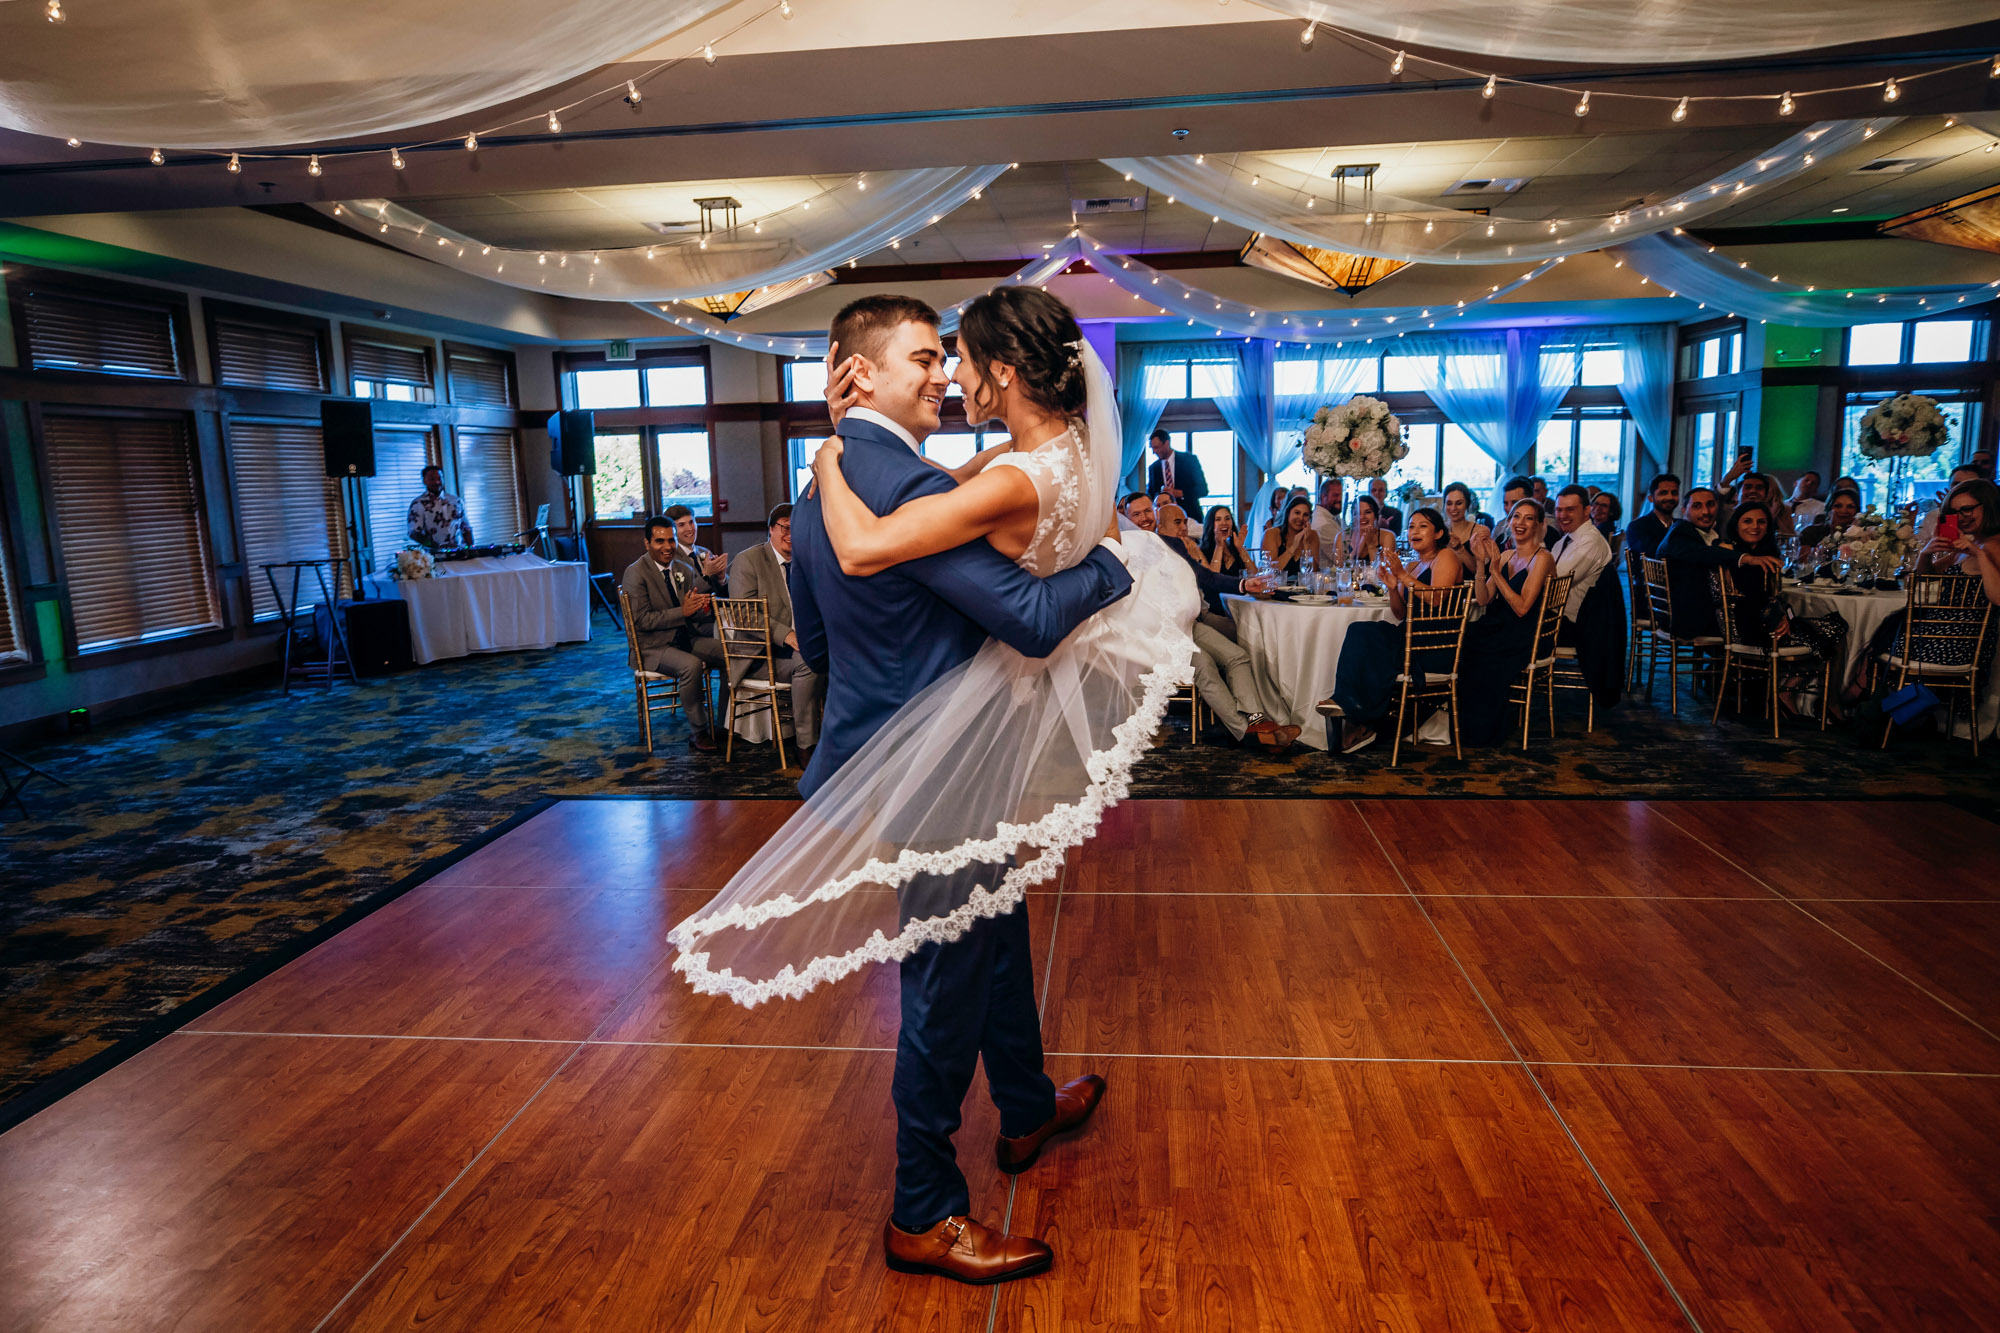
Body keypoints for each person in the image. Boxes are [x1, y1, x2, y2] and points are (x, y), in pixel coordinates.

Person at [671, 289, 1186, 1286]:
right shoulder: (901, 488)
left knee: (994, 935)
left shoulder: (834, 477)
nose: (944, 373)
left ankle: (1026, 1108)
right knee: (944, 982)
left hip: (893, 753)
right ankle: (921, 1210)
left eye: (946, 359)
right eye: (922, 359)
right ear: (859, 372)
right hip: (939, 770)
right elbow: (1031, 616)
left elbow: (815, 642)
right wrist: (1121, 565)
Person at [1126, 492, 1290, 742]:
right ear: (1126, 517)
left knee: (1238, 656)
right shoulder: (1122, 550)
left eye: (1147, 511)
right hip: (1156, 633)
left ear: (1155, 514)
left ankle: (1257, 720)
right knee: (1205, 667)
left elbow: (1205, 577)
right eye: (1136, 514)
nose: (1144, 518)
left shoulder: (1171, 544)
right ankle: (1246, 733)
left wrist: (1244, 584)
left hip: (1189, 623)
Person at [1324, 507, 1464, 754]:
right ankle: (1350, 706)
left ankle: (1357, 715)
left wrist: (1401, 575)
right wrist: (1392, 587)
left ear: (1439, 533)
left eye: (1423, 526)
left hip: (1435, 642)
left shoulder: (1446, 556)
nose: (1414, 531)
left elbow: (1438, 598)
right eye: (1411, 526)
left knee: (1366, 636)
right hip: (1410, 634)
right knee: (1359, 630)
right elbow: (1400, 613)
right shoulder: (1413, 565)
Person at [621, 514, 729, 752]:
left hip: (685, 638)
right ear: (647, 543)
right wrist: (683, 611)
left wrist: (703, 605)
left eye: (670, 540)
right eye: (660, 541)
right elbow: (641, 621)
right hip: (652, 647)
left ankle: (725, 723)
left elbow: (694, 611)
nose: (667, 547)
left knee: (731, 653)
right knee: (691, 665)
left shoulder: (683, 568)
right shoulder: (635, 573)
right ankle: (699, 732)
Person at [1458, 501, 1556, 746]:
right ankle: (1460, 725)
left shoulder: (1542, 558)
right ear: (1509, 520)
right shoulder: (1506, 555)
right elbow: (1483, 598)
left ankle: (1484, 730)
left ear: (1538, 525)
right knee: (1460, 640)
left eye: (1528, 518)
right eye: (1516, 517)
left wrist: (1497, 571)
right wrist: (1481, 564)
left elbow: (1523, 608)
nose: (1520, 523)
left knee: (1481, 654)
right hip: (1498, 627)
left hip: (1525, 634)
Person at [726, 503, 821, 754]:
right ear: (771, 529)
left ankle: (838, 738)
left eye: (797, 528)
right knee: (808, 664)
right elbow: (743, 615)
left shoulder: (807, 559)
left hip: (804, 643)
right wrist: (786, 635)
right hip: (760, 655)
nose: (791, 534)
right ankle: (806, 745)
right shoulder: (749, 560)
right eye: (785, 528)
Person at [1659, 487, 1783, 639]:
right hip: (1695, 619)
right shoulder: (1679, 532)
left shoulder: (1709, 535)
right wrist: (1746, 558)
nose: (1705, 511)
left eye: (1710, 504)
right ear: (1684, 510)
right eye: (1697, 506)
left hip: (1711, 614)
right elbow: (1701, 553)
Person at [1550, 485, 1612, 629]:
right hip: (1555, 616)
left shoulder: (1591, 542)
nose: (1562, 515)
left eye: (1570, 510)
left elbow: (1553, 583)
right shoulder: (1565, 540)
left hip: (1570, 625)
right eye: (1559, 510)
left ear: (1587, 510)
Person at [405, 464, 471, 549]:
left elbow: (466, 528)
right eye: (432, 479)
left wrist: (471, 549)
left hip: (460, 552)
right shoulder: (418, 504)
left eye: (439, 478)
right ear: (424, 481)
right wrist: (436, 546)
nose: (437, 482)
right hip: (434, 555)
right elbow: (413, 533)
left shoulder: (456, 501)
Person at [1145, 427, 1208, 511]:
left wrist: (1179, 493)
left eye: (1156, 447)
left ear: (1167, 444)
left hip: (1191, 515)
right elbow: (1151, 495)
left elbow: (1203, 489)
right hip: (1164, 517)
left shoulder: (1189, 460)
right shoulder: (1153, 468)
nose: (1154, 452)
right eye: (1152, 448)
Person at [1263, 494, 1322, 578]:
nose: (1301, 518)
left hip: (1302, 588)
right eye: (1297, 513)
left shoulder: (1312, 535)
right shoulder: (1271, 534)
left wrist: (1306, 545)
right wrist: (1293, 547)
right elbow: (1271, 571)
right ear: (1288, 513)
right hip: (1276, 587)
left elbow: (1314, 572)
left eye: (1305, 515)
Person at [1624, 472, 1680, 559]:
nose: (1670, 497)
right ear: (1650, 498)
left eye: (1674, 493)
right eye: (1663, 493)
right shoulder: (1637, 526)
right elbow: (1652, 553)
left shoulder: (1681, 525)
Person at [1495, 476, 1559, 550]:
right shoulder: (1501, 537)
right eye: (1506, 503)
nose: (1509, 508)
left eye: (1515, 503)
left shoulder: (1549, 534)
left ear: (1530, 501)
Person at [1797, 487, 1862, 550]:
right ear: (1828, 510)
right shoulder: (1811, 533)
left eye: (1850, 506)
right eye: (1838, 506)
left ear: (1857, 511)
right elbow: (1803, 559)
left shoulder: (1863, 536)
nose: (1844, 510)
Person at [1201, 504, 1254, 581]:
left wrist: (1240, 548)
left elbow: (1254, 575)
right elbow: (1212, 581)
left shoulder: (1235, 548)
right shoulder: (1202, 551)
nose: (1224, 523)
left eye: (1227, 518)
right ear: (1211, 524)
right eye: (1218, 519)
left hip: (1240, 592)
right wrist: (1219, 546)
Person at [1338, 495, 1395, 565]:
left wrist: (1371, 545)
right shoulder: (1342, 536)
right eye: (1356, 513)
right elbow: (1341, 569)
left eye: (1368, 512)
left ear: (1375, 516)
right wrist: (1361, 543)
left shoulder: (1387, 536)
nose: (1362, 517)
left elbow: (1384, 570)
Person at [1441, 482, 1490, 552]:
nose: (1453, 508)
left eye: (1459, 503)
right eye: (1449, 503)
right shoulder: (1439, 531)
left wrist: (1460, 550)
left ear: (1467, 504)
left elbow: (1484, 562)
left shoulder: (1480, 531)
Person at [1310, 477, 1345, 550]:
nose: (1340, 499)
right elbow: (1344, 553)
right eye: (1335, 495)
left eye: (1341, 495)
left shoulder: (1332, 514)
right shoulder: (1323, 524)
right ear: (1323, 497)